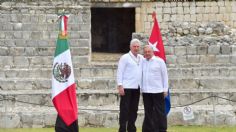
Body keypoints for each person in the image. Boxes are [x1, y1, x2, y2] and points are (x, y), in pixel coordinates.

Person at [117, 38, 143, 132]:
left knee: (134, 109)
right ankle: (122, 129)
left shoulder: (141, 58)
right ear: (130, 47)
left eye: (137, 46)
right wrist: (120, 85)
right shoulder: (125, 57)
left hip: (137, 87)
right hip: (126, 87)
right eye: (134, 46)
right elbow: (120, 72)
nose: (136, 48)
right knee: (124, 110)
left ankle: (132, 128)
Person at [141, 45, 168, 132]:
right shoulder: (142, 62)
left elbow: (165, 76)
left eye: (149, 51)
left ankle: (162, 129)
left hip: (158, 91)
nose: (147, 53)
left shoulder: (160, 61)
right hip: (146, 91)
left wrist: (165, 89)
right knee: (148, 112)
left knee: (160, 112)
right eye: (145, 52)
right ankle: (148, 129)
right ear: (144, 53)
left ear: (153, 52)